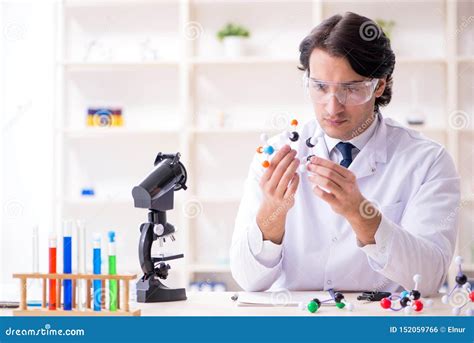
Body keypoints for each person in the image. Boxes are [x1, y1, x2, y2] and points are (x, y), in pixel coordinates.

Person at [230, 12, 460, 296]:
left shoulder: (427, 161)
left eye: (350, 89)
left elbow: (428, 278)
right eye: (320, 87)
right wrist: (271, 216)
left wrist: (361, 215)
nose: (332, 107)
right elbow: (247, 280)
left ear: (380, 85)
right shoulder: (276, 155)